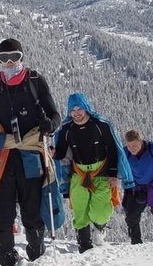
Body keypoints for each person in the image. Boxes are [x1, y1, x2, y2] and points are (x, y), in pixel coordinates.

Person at [0, 38, 61, 266]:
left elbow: (54, 114)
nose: (8, 62)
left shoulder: (35, 80)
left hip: (30, 151)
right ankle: (6, 256)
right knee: (3, 206)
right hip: (5, 153)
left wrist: (49, 125)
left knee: (32, 206)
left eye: (13, 57)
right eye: (3, 58)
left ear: (22, 57)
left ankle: (36, 251)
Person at [53, 93, 134, 253]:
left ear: (86, 108)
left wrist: (113, 174)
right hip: (79, 173)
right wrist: (53, 153)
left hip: (101, 172)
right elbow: (62, 152)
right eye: (73, 110)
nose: (76, 113)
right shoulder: (66, 129)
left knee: (100, 210)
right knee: (79, 207)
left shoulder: (100, 125)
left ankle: (99, 227)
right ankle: (84, 243)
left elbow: (112, 149)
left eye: (80, 109)